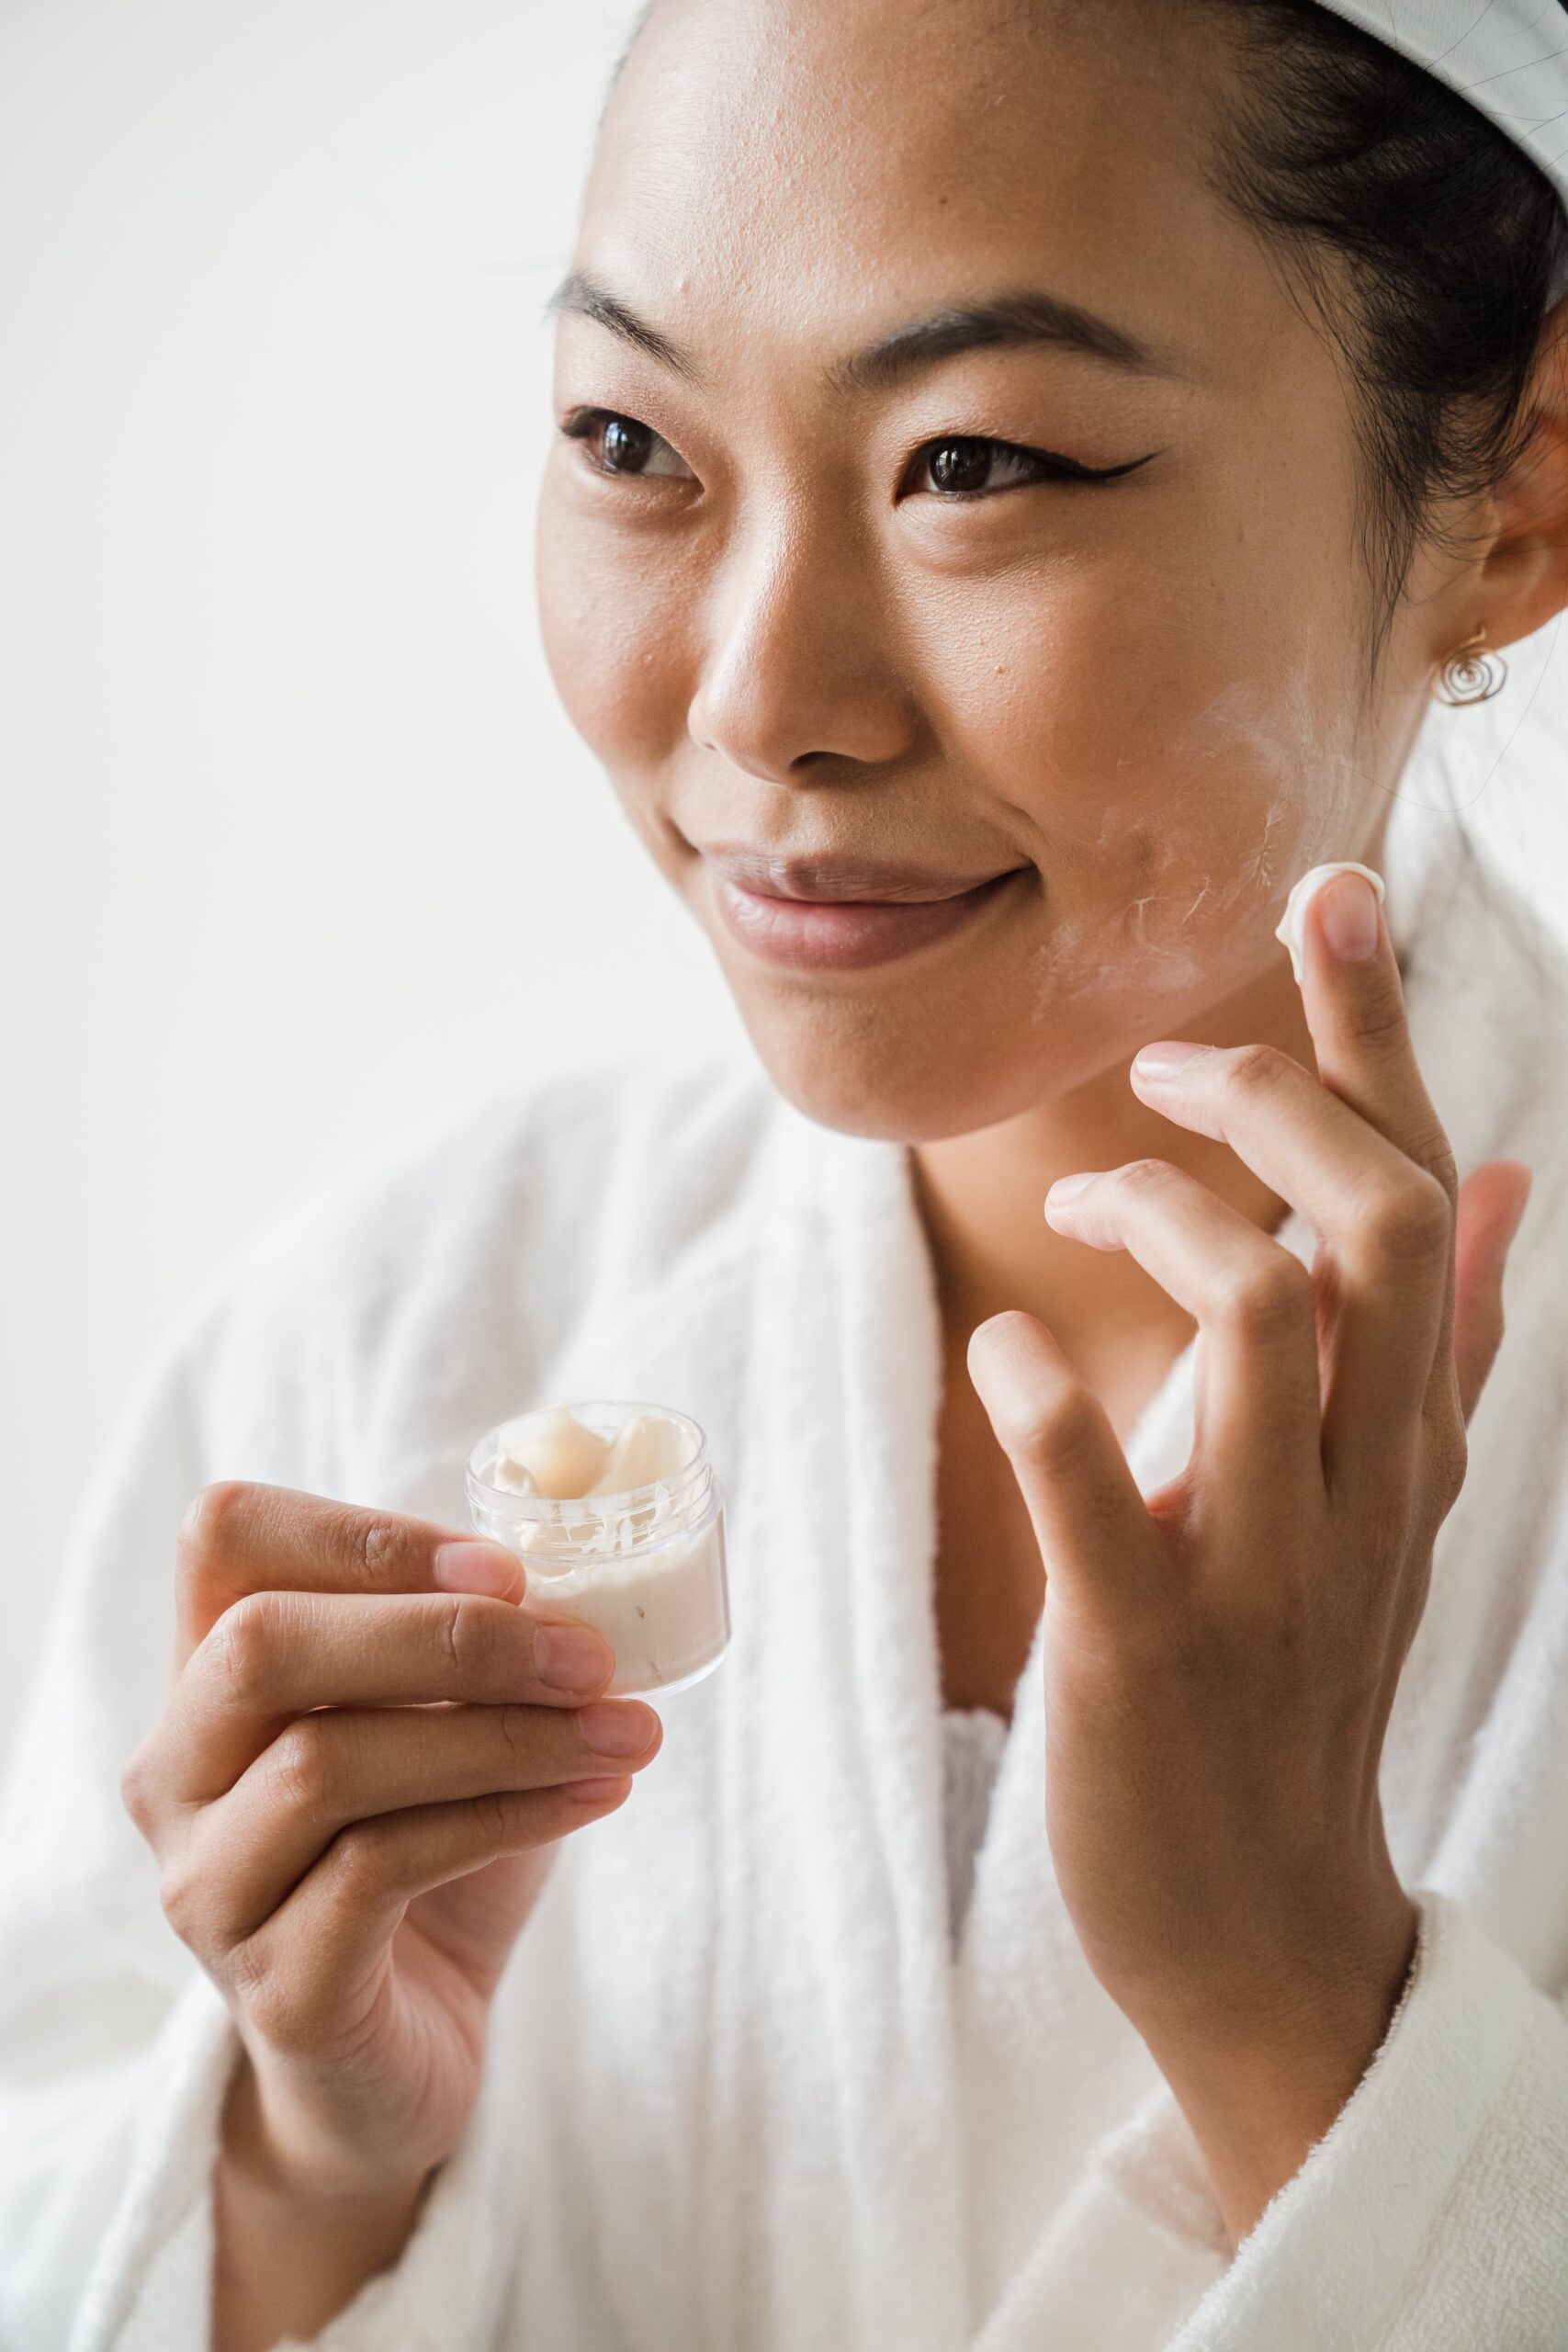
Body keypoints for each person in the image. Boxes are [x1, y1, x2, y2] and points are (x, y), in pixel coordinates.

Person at [5, 0, 1568, 2345]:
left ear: (1516, 493)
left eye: (977, 464)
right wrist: (311, 2166)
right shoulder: (399, 1331)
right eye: (630, 439)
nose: (757, 699)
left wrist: (1296, 2007)